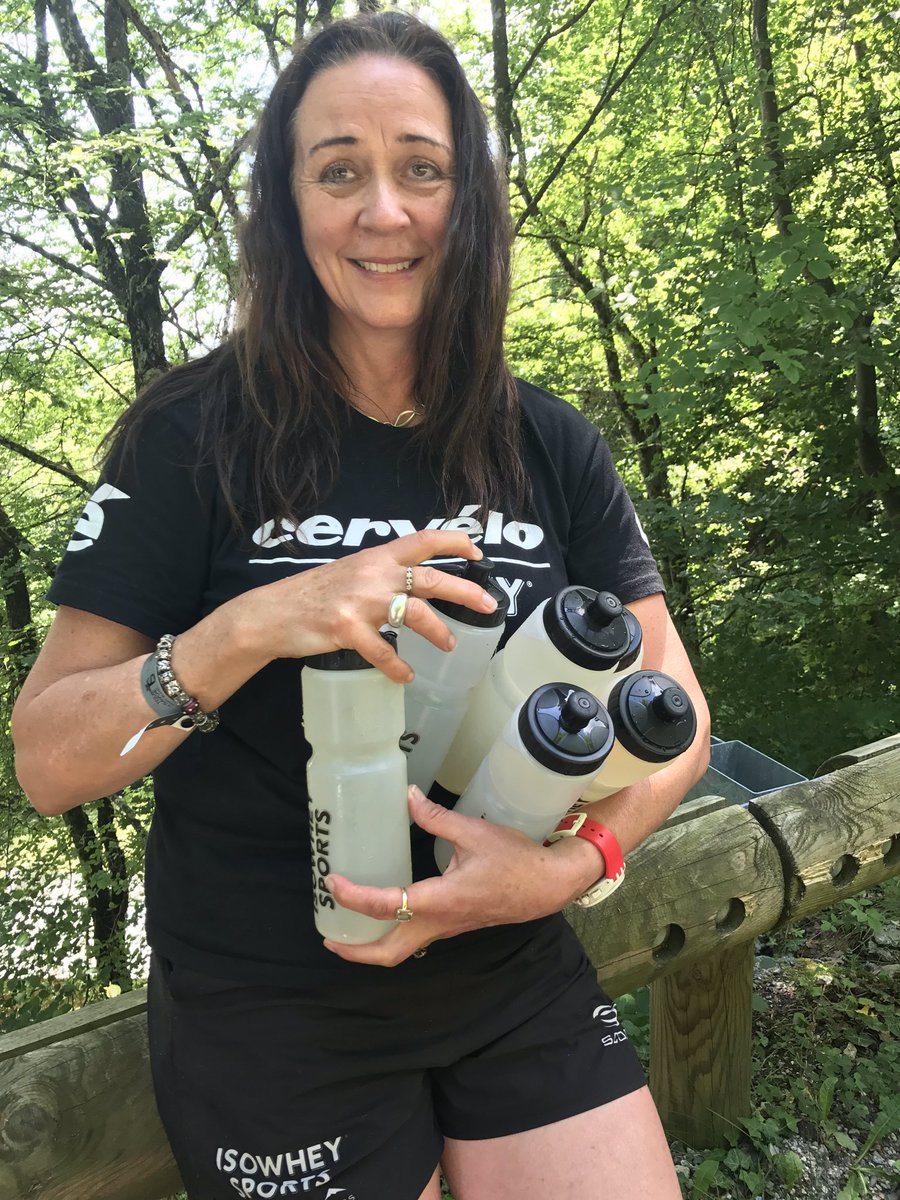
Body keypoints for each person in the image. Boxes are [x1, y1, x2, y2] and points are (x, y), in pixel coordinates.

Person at [12, 11, 710, 1199]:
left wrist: (578, 862)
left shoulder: (548, 441)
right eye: (341, 170)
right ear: (289, 209)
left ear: (470, 202)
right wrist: (249, 627)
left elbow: (677, 715)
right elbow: (47, 760)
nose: (384, 211)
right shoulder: (191, 439)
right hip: (271, 1007)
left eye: (421, 169)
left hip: (509, 967)